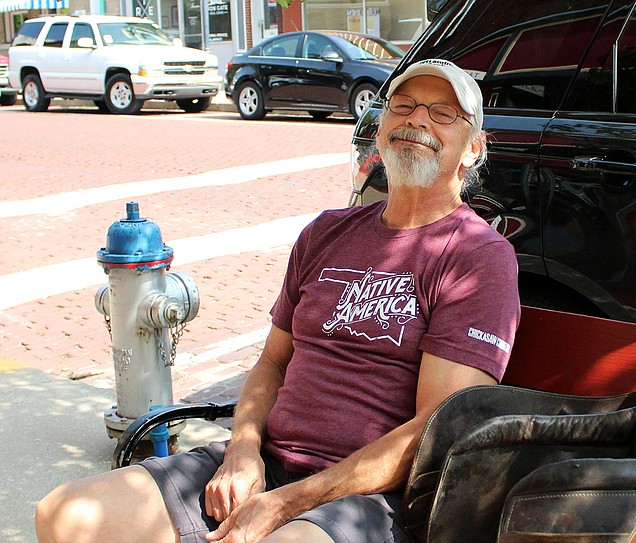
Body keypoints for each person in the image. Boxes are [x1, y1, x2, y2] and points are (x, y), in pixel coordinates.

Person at [35, 59, 521, 543]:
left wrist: (287, 503)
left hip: (370, 497)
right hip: (266, 463)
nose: (417, 120)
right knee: (65, 515)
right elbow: (271, 361)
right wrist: (242, 452)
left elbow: (435, 431)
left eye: (442, 114)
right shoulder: (326, 232)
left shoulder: (477, 258)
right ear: (379, 132)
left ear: (472, 148)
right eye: (404, 106)